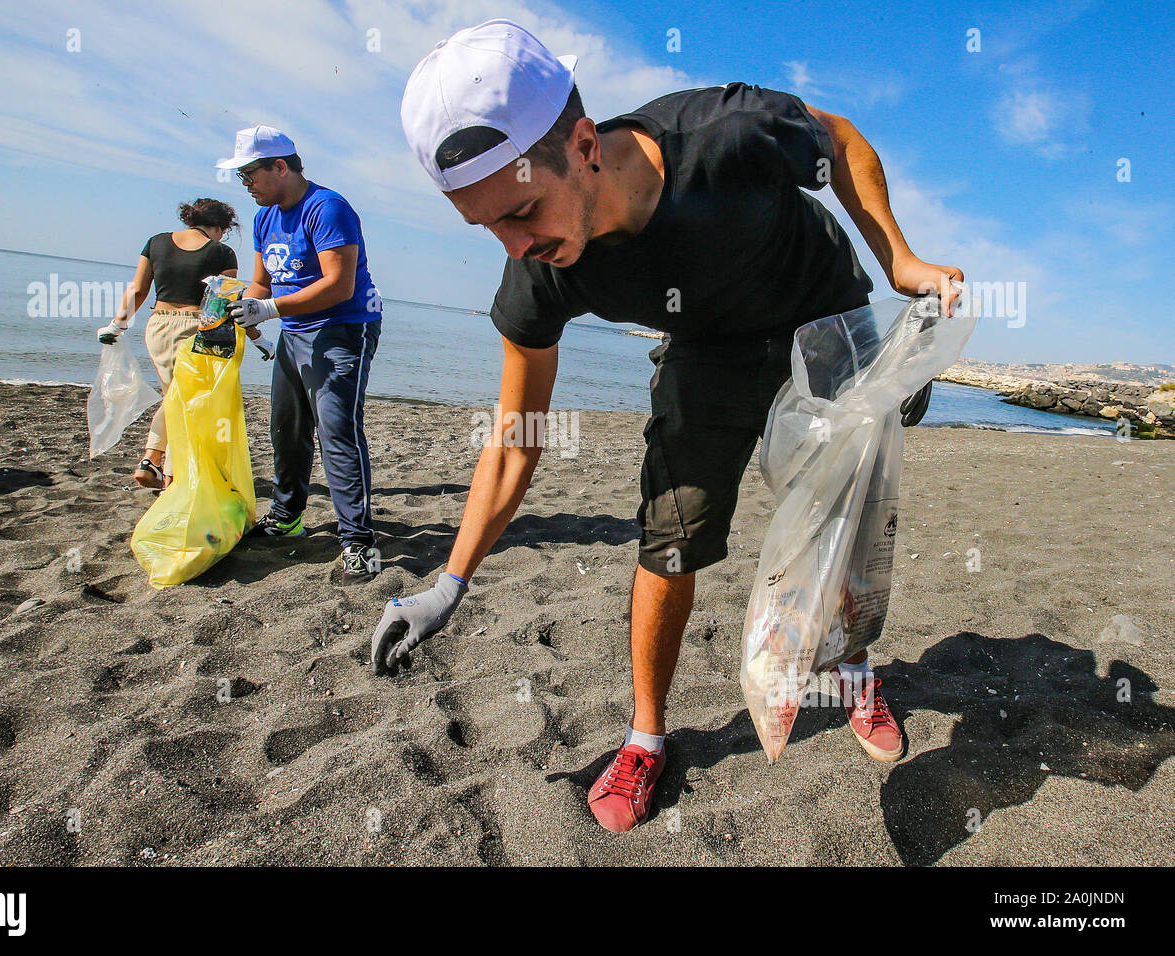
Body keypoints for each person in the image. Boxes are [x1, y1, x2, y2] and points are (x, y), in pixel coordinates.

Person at [372, 19, 964, 833]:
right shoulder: (539, 274)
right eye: (487, 227)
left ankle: (852, 669)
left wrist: (899, 255)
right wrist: (450, 582)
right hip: (708, 348)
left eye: (522, 210)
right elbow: (517, 437)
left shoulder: (728, 132)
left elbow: (843, 142)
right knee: (671, 533)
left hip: (820, 314)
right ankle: (647, 736)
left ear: (582, 144)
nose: (516, 244)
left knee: (849, 516)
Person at [215, 126, 383, 579]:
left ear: (281, 166)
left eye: (248, 173)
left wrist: (266, 308)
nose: (244, 184)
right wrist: (239, 312)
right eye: (240, 176)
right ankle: (288, 518)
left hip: (343, 328)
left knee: (337, 432)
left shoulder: (328, 208)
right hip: (293, 330)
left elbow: (338, 285)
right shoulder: (264, 217)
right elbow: (262, 284)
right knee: (286, 427)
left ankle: (359, 541)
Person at [98, 199, 239, 488]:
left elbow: (138, 289)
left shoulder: (156, 243)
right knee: (185, 401)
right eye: (224, 230)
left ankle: (152, 459)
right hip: (196, 328)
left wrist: (117, 324)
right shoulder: (222, 253)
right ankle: (171, 476)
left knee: (174, 394)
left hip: (158, 325)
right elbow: (222, 304)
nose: (222, 236)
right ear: (217, 226)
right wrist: (256, 337)